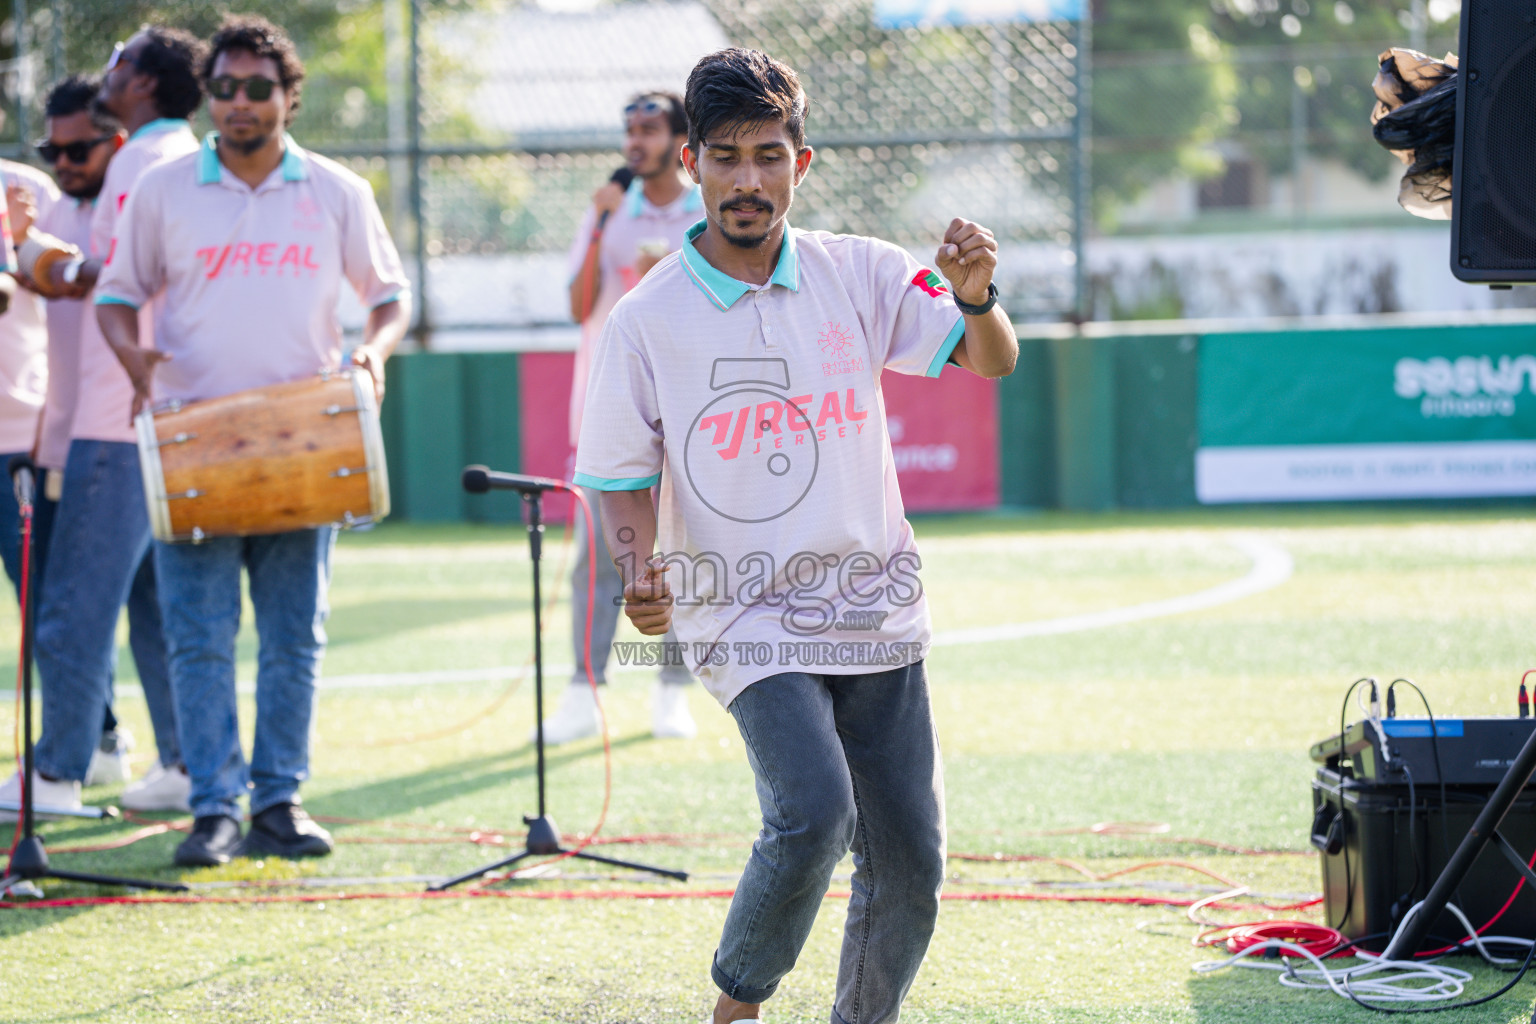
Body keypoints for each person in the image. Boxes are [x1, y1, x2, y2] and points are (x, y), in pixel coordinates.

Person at [574, 49, 1017, 1024]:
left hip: (876, 604)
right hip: (741, 614)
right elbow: (618, 476)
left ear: (801, 163)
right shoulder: (647, 318)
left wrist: (978, 295)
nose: (748, 179)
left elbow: (991, 360)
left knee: (912, 859)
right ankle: (737, 1005)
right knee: (814, 810)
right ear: (690, 162)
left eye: (768, 156)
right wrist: (638, 571)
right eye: (726, 156)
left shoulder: (861, 271)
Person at [95, 14, 410, 867]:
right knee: (198, 639)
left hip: (304, 442)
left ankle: (277, 802)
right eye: (226, 88)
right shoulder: (162, 189)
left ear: (287, 97)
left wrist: (373, 353)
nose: (241, 102)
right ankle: (213, 809)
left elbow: (389, 296)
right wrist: (131, 357)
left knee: (293, 637)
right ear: (209, 97)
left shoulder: (337, 189)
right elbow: (116, 295)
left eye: (258, 88)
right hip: (192, 444)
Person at [0, 29, 206, 821]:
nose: (62, 162)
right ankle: (184, 764)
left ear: (143, 84)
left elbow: (106, 277)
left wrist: (34, 253)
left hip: (119, 423)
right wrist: (42, 257)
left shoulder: (145, 160)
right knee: (155, 607)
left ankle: (56, 773)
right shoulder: (167, 158)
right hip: (136, 418)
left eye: (120, 62)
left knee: (71, 607)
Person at [540, 90, 702, 745]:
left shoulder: (706, 208)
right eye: (629, 130)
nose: (635, 142)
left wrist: (668, 275)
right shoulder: (607, 209)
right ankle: (584, 692)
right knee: (601, 556)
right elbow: (577, 305)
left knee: (686, 552)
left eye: (649, 130)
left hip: (692, 405)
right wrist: (600, 224)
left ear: (680, 141)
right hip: (613, 405)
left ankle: (673, 692)